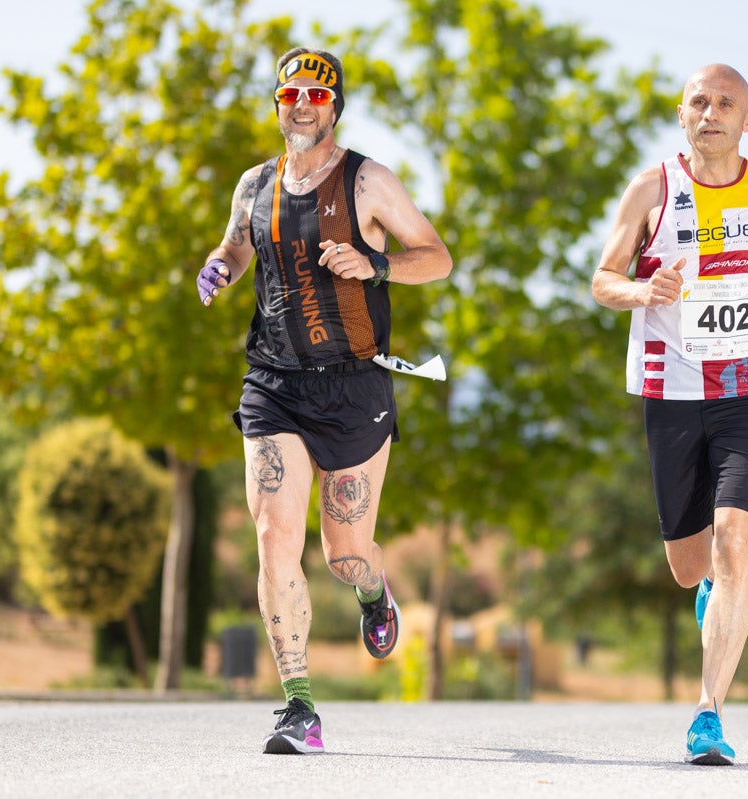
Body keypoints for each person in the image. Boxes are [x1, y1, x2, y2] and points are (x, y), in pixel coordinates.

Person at [197, 47, 452, 755]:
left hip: (353, 386)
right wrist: (218, 266)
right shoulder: (254, 184)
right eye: (290, 95)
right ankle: (298, 706)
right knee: (276, 534)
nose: (302, 105)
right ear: (277, 106)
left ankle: (373, 590)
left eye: (316, 94)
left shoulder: (368, 181)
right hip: (273, 383)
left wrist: (376, 263)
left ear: (334, 107)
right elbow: (237, 244)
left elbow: (436, 256)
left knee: (345, 554)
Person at [591, 64, 748, 765]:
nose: (712, 112)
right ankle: (707, 592)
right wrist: (642, 289)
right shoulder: (653, 188)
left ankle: (709, 711)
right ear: (681, 113)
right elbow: (603, 279)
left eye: (727, 103)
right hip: (671, 392)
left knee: (735, 546)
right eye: (700, 101)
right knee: (690, 563)